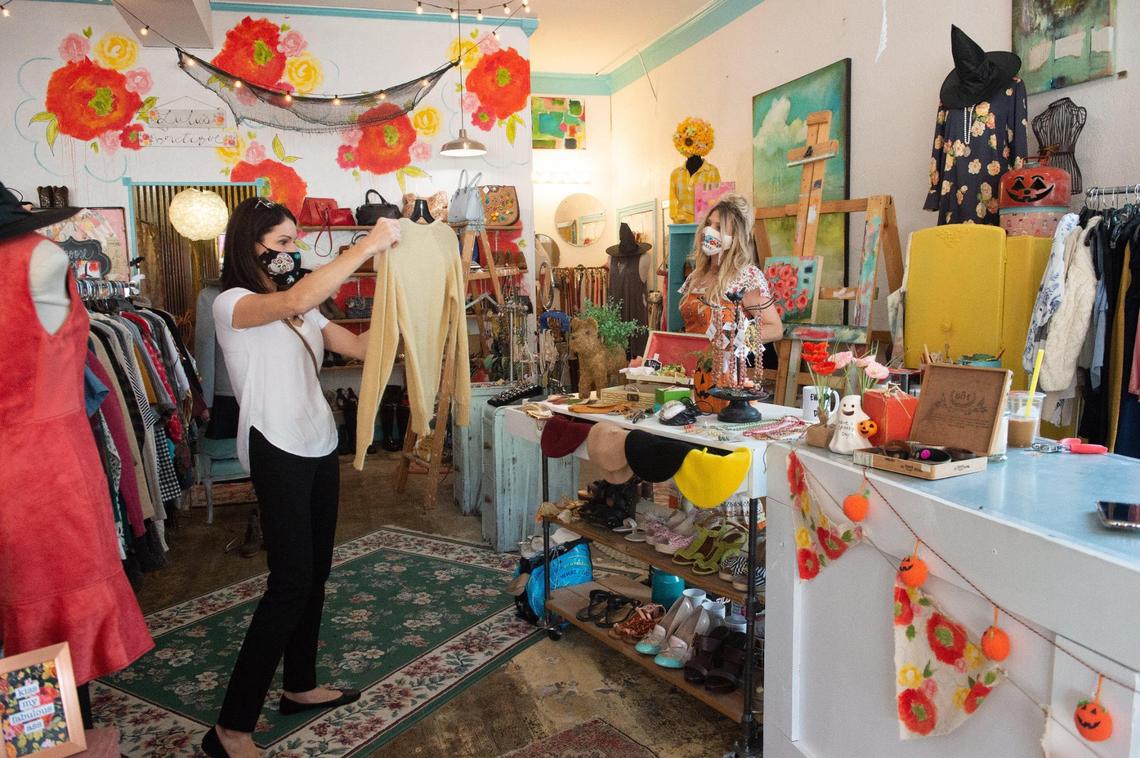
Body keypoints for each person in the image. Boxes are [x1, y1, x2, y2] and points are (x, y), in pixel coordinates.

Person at [202, 197, 400, 758]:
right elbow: (295, 297)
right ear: (251, 247)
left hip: (318, 441)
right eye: (282, 242)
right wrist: (367, 246)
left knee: (315, 574)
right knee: (289, 582)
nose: (293, 251)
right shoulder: (233, 303)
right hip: (275, 445)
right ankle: (230, 729)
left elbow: (357, 345)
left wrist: (400, 296)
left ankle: (299, 685)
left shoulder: (303, 308)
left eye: (295, 241)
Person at [678, 194, 782, 342]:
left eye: (719, 227)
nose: (709, 231)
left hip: (725, 357)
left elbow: (775, 329)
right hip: (690, 355)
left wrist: (735, 339)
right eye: (708, 223)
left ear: (735, 237)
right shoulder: (696, 275)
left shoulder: (746, 276)